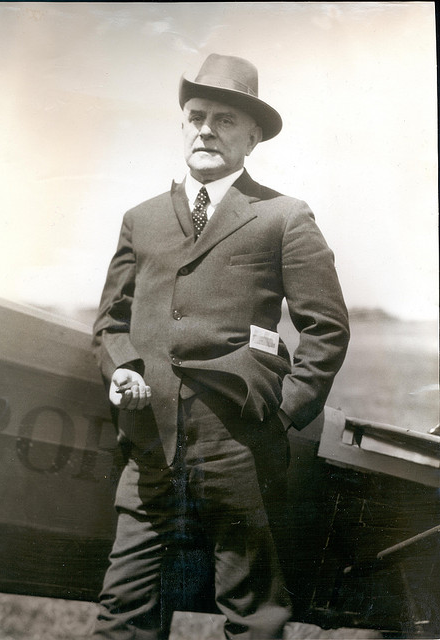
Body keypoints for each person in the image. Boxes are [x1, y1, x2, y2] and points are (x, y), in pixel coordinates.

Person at [91, 53, 350, 639]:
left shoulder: (284, 217)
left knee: (252, 613)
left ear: (252, 137)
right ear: (182, 125)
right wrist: (122, 368)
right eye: (196, 116)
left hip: (241, 452)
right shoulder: (141, 219)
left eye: (225, 120)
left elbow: (327, 327)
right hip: (150, 447)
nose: (205, 129)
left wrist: (282, 415)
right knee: (122, 612)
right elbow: (111, 320)